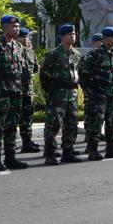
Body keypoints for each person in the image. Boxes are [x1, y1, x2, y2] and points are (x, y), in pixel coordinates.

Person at [0, 15, 30, 171]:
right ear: (4, 28)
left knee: (12, 126)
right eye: (13, 26)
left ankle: (10, 157)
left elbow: (22, 71)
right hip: (1, 95)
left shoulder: (19, 48)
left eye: (17, 26)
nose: (16, 29)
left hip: (16, 93)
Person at [39, 24, 83, 165]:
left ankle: (68, 152)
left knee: (72, 124)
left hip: (72, 94)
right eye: (70, 34)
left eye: (74, 34)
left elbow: (78, 73)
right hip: (57, 94)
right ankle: (50, 154)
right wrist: (51, 91)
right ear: (62, 37)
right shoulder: (54, 54)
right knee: (54, 125)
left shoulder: (76, 54)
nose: (73, 36)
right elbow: (44, 75)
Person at [78, 26, 113, 160]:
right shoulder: (94, 55)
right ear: (105, 38)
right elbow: (83, 75)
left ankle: (110, 148)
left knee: (112, 122)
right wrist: (91, 92)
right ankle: (93, 150)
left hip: (112, 94)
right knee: (96, 123)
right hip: (98, 95)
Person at [16, 27, 40, 153]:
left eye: (27, 37)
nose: (25, 39)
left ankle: (27, 141)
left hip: (28, 91)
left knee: (27, 118)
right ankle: (10, 144)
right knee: (13, 119)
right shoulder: (13, 50)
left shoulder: (30, 52)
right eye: (22, 37)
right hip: (16, 91)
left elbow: (35, 68)